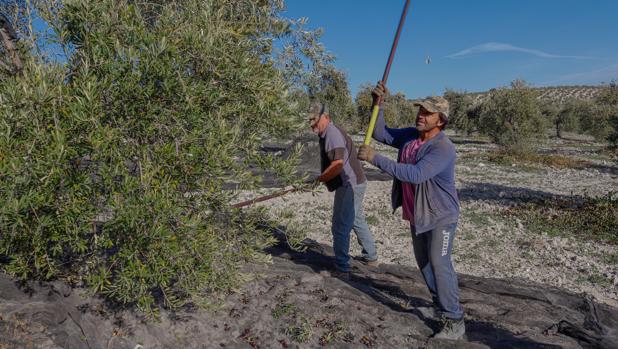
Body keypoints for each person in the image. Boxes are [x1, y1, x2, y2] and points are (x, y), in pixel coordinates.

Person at [357, 83, 465, 340]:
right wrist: (378, 105)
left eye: (427, 113)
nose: (421, 115)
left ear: (441, 120)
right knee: (425, 265)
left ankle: (455, 320)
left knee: (440, 263)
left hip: (441, 217)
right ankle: (441, 306)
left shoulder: (443, 148)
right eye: (420, 110)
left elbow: (416, 175)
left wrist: (376, 159)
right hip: (418, 214)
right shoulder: (410, 137)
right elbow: (381, 133)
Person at [307, 101, 378, 279]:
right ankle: (371, 257)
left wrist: (320, 179)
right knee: (356, 219)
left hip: (350, 185)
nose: (312, 124)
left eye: (315, 120)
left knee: (340, 225)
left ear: (326, 117)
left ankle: (342, 268)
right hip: (355, 182)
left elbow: (337, 165)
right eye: (309, 120)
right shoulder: (327, 132)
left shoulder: (331, 133)